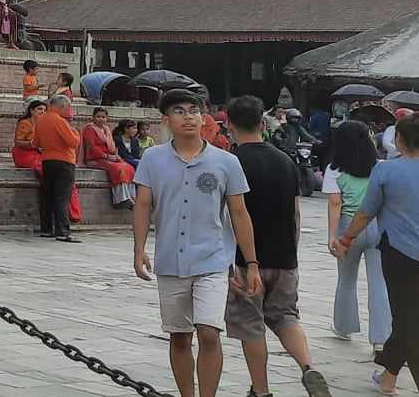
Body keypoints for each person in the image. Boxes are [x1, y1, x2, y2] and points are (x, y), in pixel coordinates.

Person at [133, 88, 262, 397]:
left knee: (208, 332)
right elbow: (143, 204)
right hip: (170, 260)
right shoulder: (152, 158)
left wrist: (252, 263)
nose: (188, 116)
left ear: (203, 118)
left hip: (213, 260)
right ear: (166, 120)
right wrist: (139, 249)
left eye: (193, 110)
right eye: (179, 111)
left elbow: (239, 213)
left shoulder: (226, 162)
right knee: (179, 337)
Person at [221, 96, 330, 397]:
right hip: (284, 257)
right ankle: (308, 367)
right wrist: (291, 252)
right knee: (285, 317)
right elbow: (295, 212)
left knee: (251, 326)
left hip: (247, 260)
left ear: (228, 124)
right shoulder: (285, 160)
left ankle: (262, 390)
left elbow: (229, 214)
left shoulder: (233, 162)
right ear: (262, 123)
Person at [337, 114, 419, 395]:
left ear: (399, 139)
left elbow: (366, 212)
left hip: (399, 253)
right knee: (410, 318)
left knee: (407, 318)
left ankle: (392, 376)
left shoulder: (386, 171)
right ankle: (387, 377)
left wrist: (347, 237)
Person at [325, 120, 388, 350]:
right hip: (377, 227)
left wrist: (332, 236)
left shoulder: (334, 170)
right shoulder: (380, 166)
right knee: (379, 282)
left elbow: (334, 204)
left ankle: (344, 327)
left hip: (348, 228)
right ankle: (381, 338)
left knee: (347, 279)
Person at [35, 94, 82, 243]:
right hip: (64, 161)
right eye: (67, 108)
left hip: (47, 160)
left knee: (47, 196)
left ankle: (46, 229)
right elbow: (73, 142)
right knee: (62, 197)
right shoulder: (59, 121)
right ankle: (62, 231)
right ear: (61, 107)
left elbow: (36, 142)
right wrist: (75, 132)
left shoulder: (41, 119)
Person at [82, 106, 138, 208]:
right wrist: (107, 156)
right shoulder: (90, 129)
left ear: (107, 118)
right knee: (118, 168)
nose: (100, 119)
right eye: (98, 116)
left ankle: (131, 197)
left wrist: (115, 156)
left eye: (103, 117)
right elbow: (92, 147)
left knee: (129, 167)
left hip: (108, 157)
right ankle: (121, 199)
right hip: (95, 158)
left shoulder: (106, 129)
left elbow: (112, 146)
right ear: (93, 117)